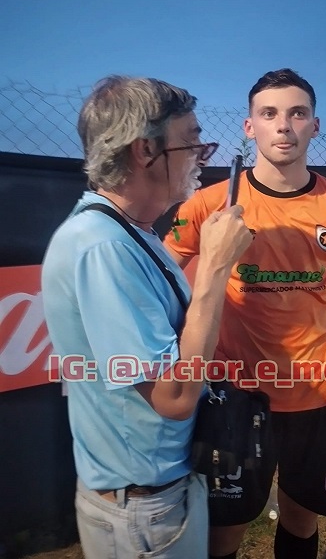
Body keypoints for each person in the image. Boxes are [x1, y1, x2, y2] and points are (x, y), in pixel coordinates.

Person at [164, 68, 326, 559]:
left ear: (315, 125)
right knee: (226, 532)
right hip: (236, 396)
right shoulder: (210, 204)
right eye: (269, 114)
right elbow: (161, 276)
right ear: (250, 127)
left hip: (318, 393)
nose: (284, 125)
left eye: (297, 113)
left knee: (301, 517)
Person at [41, 75, 253, 559]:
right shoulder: (103, 247)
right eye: (192, 142)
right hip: (142, 513)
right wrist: (215, 266)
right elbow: (173, 397)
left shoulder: (131, 232)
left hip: (157, 494)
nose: (203, 156)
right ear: (145, 151)